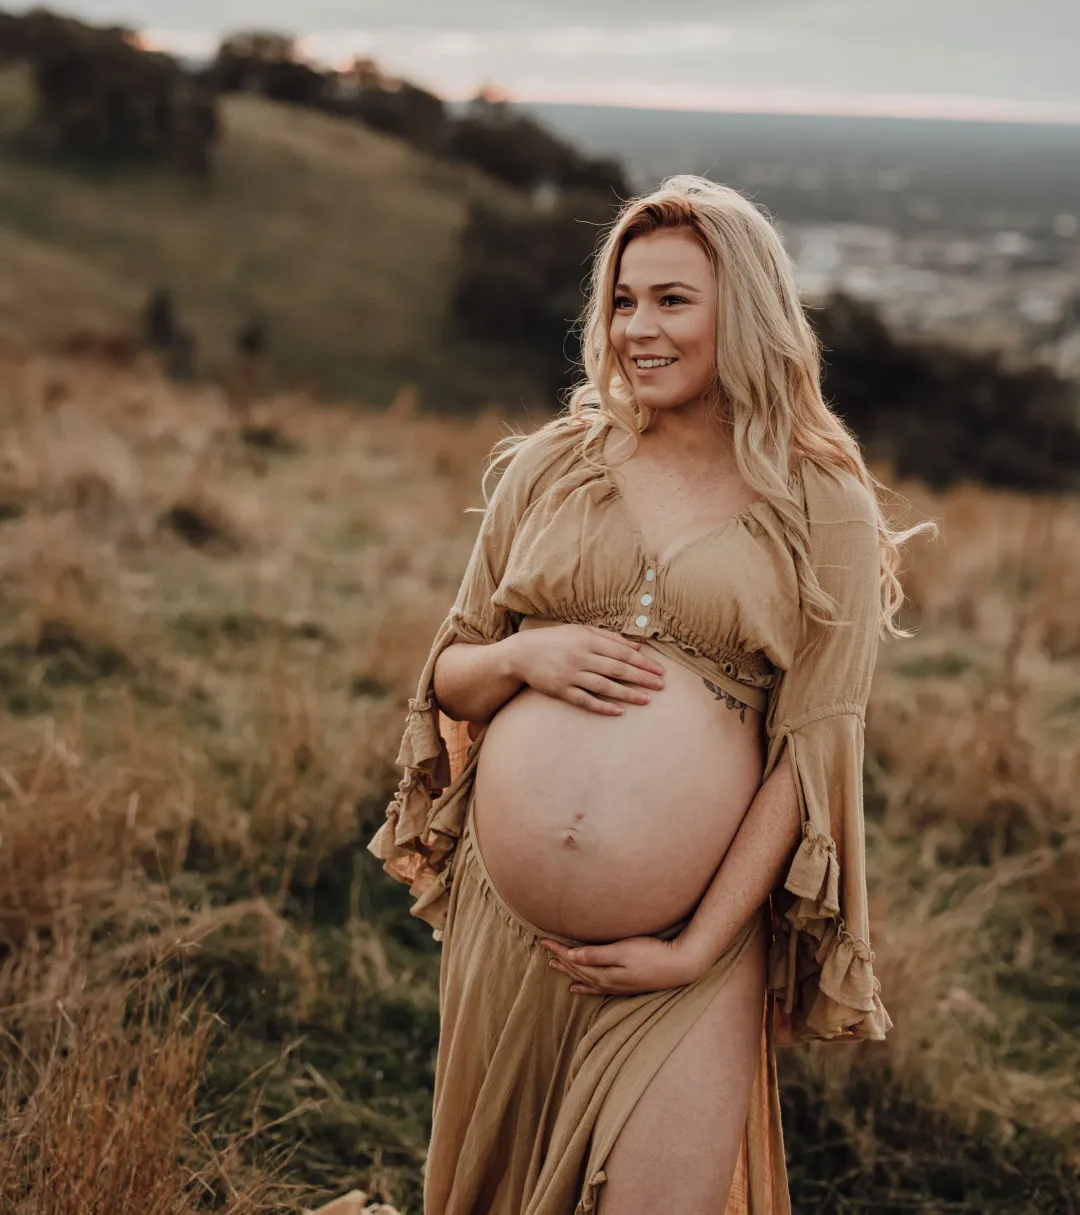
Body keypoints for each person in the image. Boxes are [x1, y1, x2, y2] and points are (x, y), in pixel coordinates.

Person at [368, 175, 933, 1215]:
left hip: (686, 953)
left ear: (745, 312)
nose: (639, 329)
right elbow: (449, 673)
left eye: (674, 300)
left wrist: (695, 946)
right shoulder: (552, 465)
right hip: (513, 933)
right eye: (624, 301)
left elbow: (813, 750)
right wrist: (526, 660)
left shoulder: (823, 501)